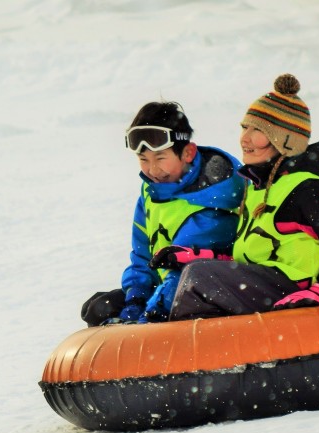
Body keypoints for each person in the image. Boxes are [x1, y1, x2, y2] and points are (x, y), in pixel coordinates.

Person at [163, 74, 319, 320]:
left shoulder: (306, 189)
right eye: (244, 127)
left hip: (301, 291)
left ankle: (190, 352)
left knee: (200, 277)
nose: (245, 138)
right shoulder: (258, 187)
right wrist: (205, 256)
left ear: (286, 141)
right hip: (276, 286)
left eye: (258, 130)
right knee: (193, 272)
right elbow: (258, 257)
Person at [80, 101, 245, 326]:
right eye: (143, 160)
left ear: (188, 153)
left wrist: (147, 318)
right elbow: (141, 256)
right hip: (165, 289)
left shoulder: (214, 198)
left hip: (202, 293)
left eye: (160, 158)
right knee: (98, 308)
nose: (153, 170)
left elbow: (183, 273)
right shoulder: (151, 193)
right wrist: (135, 300)